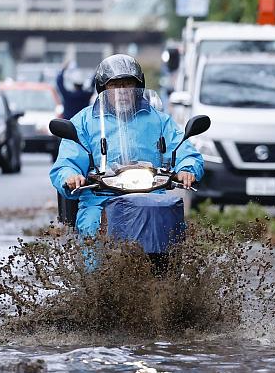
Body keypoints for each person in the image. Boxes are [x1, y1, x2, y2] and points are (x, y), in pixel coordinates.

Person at [49, 54, 203, 237]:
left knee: (171, 224)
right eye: (114, 85)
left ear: (138, 87)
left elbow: (183, 149)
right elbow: (68, 160)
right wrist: (70, 176)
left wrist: (187, 168)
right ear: (103, 88)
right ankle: (93, 266)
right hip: (100, 198)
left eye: (127, 84)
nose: (121, 91)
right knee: (91, 225)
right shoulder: (83, 121)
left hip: (152, 195)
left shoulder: (160, 121)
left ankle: (170, 265)